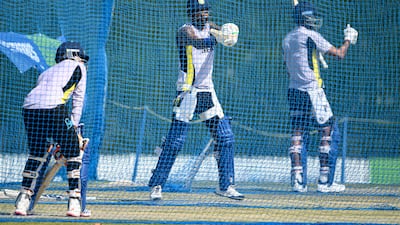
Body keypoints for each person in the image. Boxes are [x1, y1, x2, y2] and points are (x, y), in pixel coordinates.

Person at [148, 0, 244, 201]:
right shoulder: (185, 31)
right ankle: (157, 185)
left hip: (207, 91)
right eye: (199, 12)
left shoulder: (211, 27)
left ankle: (226, 186)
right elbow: (201, 42)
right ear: (191, 14)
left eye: (205, 11)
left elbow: (224, 32)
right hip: (188, 91)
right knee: (175, 141)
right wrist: (219, 38)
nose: (203, 15)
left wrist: (228, 33)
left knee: (225, 137)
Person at [283, 1, 358, 193]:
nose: (315, 20)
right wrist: (348, 39)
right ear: (306, 17)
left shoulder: (288, 38)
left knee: (297, 132)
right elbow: (339, 54)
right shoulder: (311, 35)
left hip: (294, 90)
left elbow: (289, 65)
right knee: (328, 130)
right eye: (311, 17)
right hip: (313, 90)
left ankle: (297, 181)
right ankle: (325, 181)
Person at [15, 41, 89, 216]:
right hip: (54, 108)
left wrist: (63, 136)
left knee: (37, 152)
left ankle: (23, 201)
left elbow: (43, 100)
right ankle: (74, 201)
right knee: (74, 152)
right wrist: (75, 133)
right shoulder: (79, 67)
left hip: (29, 108)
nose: (83, 60)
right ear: (73, 55)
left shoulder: (47, 72)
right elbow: (77, 103)